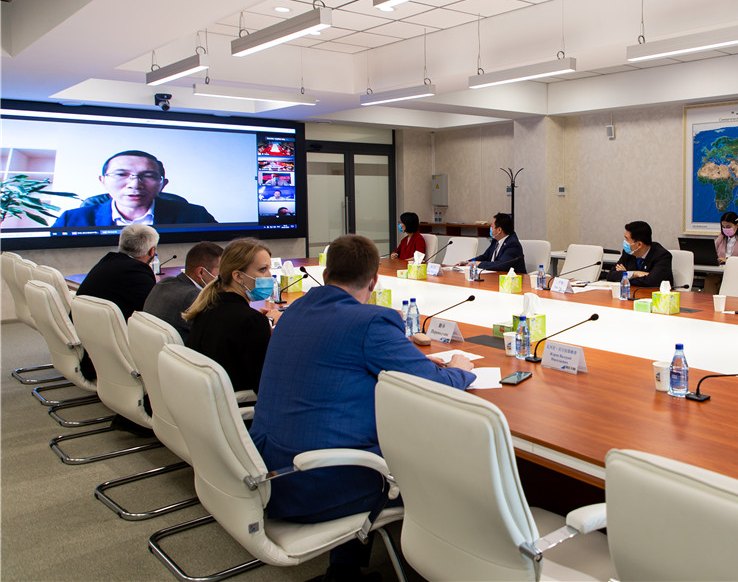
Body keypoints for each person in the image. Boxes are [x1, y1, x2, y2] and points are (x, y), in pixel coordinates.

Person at [249, 235, 475, 581]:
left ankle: (345, 568)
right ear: (374, 281)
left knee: (350, 433)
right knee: (447, 474)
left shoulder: (292, 313)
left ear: (326, 274)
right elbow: (433, 386)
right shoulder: (370, 322)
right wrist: (460, 368)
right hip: (315, 485)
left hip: (267, 473)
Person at [183, 238, 278, 393]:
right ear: (238, 276)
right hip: (240, 403)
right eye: (262, 270)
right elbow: (266, 385)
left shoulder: (208, 306)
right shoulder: (250, 321)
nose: (270, 276)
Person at [51, 150, 216, 227]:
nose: (135, 184)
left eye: (148, 176)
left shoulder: (196, 216)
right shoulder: (71, 220)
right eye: (121, 174)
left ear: (163, 184)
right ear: (103, 181)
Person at [142, 241, 223, 342]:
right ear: (201, 272)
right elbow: (217, 334)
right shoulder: (193, 297)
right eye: (221, 272)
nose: (223, 277)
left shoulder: (164, 282)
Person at [77, 224, 159, 322]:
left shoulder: (108, 261)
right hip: (107, 328)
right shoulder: (135, 271)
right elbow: (155, 309)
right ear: (152, 251)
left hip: (85, 327)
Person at [612, 220, 674, 288]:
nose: (625, 242)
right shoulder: (628, 253)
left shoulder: (662, 256)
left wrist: (626, 276)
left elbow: (651, 282)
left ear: (639, 244)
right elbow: (611, 275)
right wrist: (635, 273)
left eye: (627, 239)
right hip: (633, 292)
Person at [459, 212, 526, 273]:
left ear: (499, 230)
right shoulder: (496, 240)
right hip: (495, 277)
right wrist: (469, 262)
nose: (490, 228)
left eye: (492, 226)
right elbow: (485, 256)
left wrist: (479, 264)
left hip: (513, 280)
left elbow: (501, 265)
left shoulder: (512, 244)